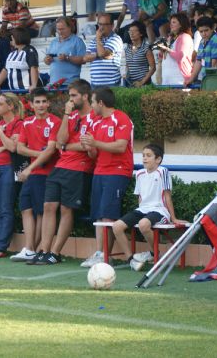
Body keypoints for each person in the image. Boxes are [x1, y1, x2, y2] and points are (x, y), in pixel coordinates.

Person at [29, 80, 95, 265]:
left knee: (66, 209)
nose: (71, 99)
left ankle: (55, 253)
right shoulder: (71, 115)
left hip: (79, 168)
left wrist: (68, 146)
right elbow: (60, 142)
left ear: (85, 96)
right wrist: (66, 114)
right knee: (48, 206)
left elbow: (86, 144)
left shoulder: (94, 117)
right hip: (61, 166)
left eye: (74, 96)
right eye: (70, 96)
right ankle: (44, 250)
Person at [80, 87, 134, 267]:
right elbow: (94, 155)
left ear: (101, 103)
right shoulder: (95, 122)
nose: (92, 106)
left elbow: (120, 146)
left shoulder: (121, 118)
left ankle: (104, 256)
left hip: (118, 171)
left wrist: (95, 143)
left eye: (93, 102)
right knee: (98, 216)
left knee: (108, 216)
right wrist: (89, 147)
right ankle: (100, 253)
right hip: (100, 171)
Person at [113, 143, 187, 271]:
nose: (144, 158)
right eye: (143, 156)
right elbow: (140, 197)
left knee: (143, 224)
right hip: (143, 210)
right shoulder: (140, 173)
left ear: (158, 159)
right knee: (117, 226)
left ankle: (155, 254)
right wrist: (139, 211)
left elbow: (167, 196)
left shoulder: (162, 171)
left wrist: (173, 218)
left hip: (160, 210)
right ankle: (131, 260)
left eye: (148, 156)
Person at [11, 88, 61, 262]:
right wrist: (40, 155)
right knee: (26, 208)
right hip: (32, 171)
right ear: (31, 105)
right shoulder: (27, 123)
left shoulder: (55, 121)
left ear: (48, 103)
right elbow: (20, 148)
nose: (41, 105)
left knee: (41, 212)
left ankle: (36, 248)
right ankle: (29, 248)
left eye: (43, 101)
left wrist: (31, 166)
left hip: (47, 173)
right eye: (37, 102)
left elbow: (52, 149)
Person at [0, 93, 24, 259]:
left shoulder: (18, 124)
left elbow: (13, 148)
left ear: (10, 106)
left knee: (6, 207)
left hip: (9, 167)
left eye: (0, 104)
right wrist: (4, 145)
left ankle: (0, 246)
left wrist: (1, 135)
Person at [83, 13, 124, 88]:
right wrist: (97, 54)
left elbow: (102, 54)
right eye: (100, 24)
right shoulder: (93, 41)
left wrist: (98, 39)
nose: (101, 27)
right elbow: (86, 58)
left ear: (112, 26)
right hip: (95, 84)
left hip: (111, 84)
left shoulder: (115, 39)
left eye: (105, 24)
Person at [44, 16, 86, 87]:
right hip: (53, 83)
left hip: (70, 84)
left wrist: (67, 58)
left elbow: (83, 60)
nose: (60, 32)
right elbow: (46, 61)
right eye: (58, 29)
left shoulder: (77, 41)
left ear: (70, 27)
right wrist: (47, 59)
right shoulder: (54, 42)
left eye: (62, 29)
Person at [0, 27, 40, 92]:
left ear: (18, 37)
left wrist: (34, 85)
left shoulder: (30, 51)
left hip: (28, 91)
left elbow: (34, 68)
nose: (11, 40)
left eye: (12, 38)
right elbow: (5, 70)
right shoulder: (12, 53)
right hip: (14, 92)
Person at [187, 16, 217, 85]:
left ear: (213, 28)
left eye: (206, 30)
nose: (204, 34)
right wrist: (190, 79)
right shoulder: (202, 41)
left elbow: (214, 64)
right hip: (203, 78)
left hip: (213, 79)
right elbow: (198, 61)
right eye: (201, 31)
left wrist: (209, 82)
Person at [156, 13, 193, 86]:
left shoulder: (185, 37)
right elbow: (164, 58)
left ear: (181, 24)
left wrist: (167, 49)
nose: (171, 25)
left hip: (179, 79)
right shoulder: (170, 38)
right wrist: (161, 51)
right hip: (166, 78)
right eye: (170, 22)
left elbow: (180, 57)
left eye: (174, 22)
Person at [124, 21, 156, 87]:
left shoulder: (146, 48)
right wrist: (126, 75)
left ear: (141, 33)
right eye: (130, 31)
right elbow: (128, 65)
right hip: (130, 84)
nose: (131, 33)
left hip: (144, 85)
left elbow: (153, 68)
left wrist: (141, 82)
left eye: (134, 31)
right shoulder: (127, 48)